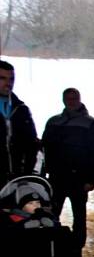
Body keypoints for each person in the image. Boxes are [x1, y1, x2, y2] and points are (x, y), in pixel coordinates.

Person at [42, 87, 94, 248]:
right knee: (52, 213)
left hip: (79, 178)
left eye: (74, 98)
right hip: (57, 177)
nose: (71, 102)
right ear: (63, 100)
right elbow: (44, 148)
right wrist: (44, 172)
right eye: (68, 99)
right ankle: (51, 245)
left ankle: (77, 248)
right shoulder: (54, 122)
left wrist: (91, 178)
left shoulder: (90, 124)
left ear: (79, 99)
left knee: (79, 216)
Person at [0, 59, 39, 187]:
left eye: (11, 79)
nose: (8, 83)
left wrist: (27, 173)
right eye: (3, 78)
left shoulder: (21, 109)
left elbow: (32, 144)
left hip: (17, 179)